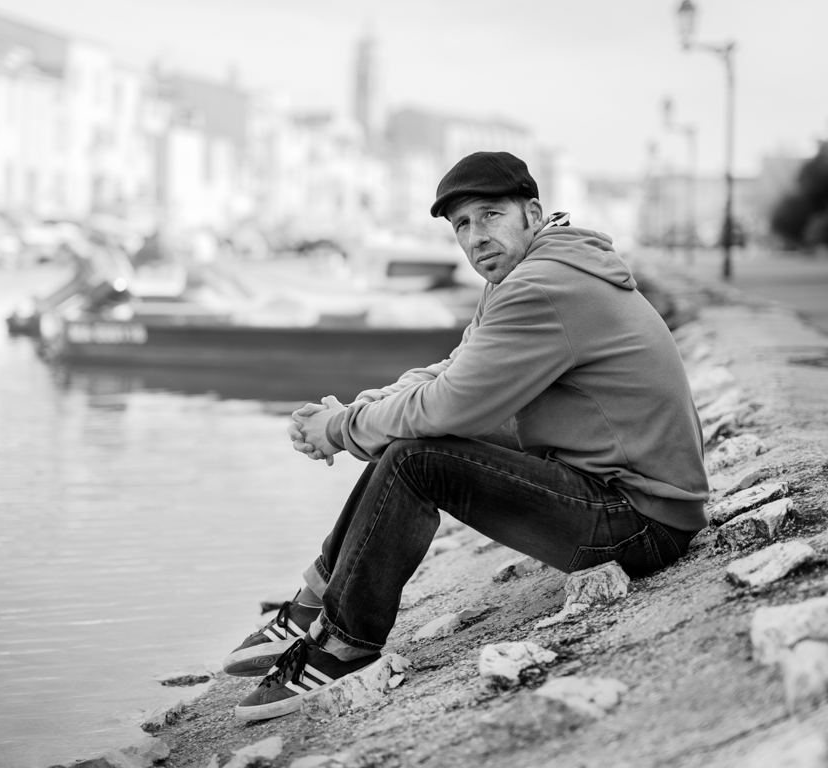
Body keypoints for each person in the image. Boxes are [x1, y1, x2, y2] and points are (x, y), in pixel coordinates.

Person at [224, 151, 709, 722]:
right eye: (462, 225)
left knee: (415, 459)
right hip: (617, 493)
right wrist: (357, 411)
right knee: (407, 439)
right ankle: (314, 603)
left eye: (490, 215)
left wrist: (339, 429)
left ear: (532, 213)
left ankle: (341, 647)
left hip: (642, 523)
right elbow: (451, 370)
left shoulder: (544, 287)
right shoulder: (527, 273)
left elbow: (448, 404)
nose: (476, 237)